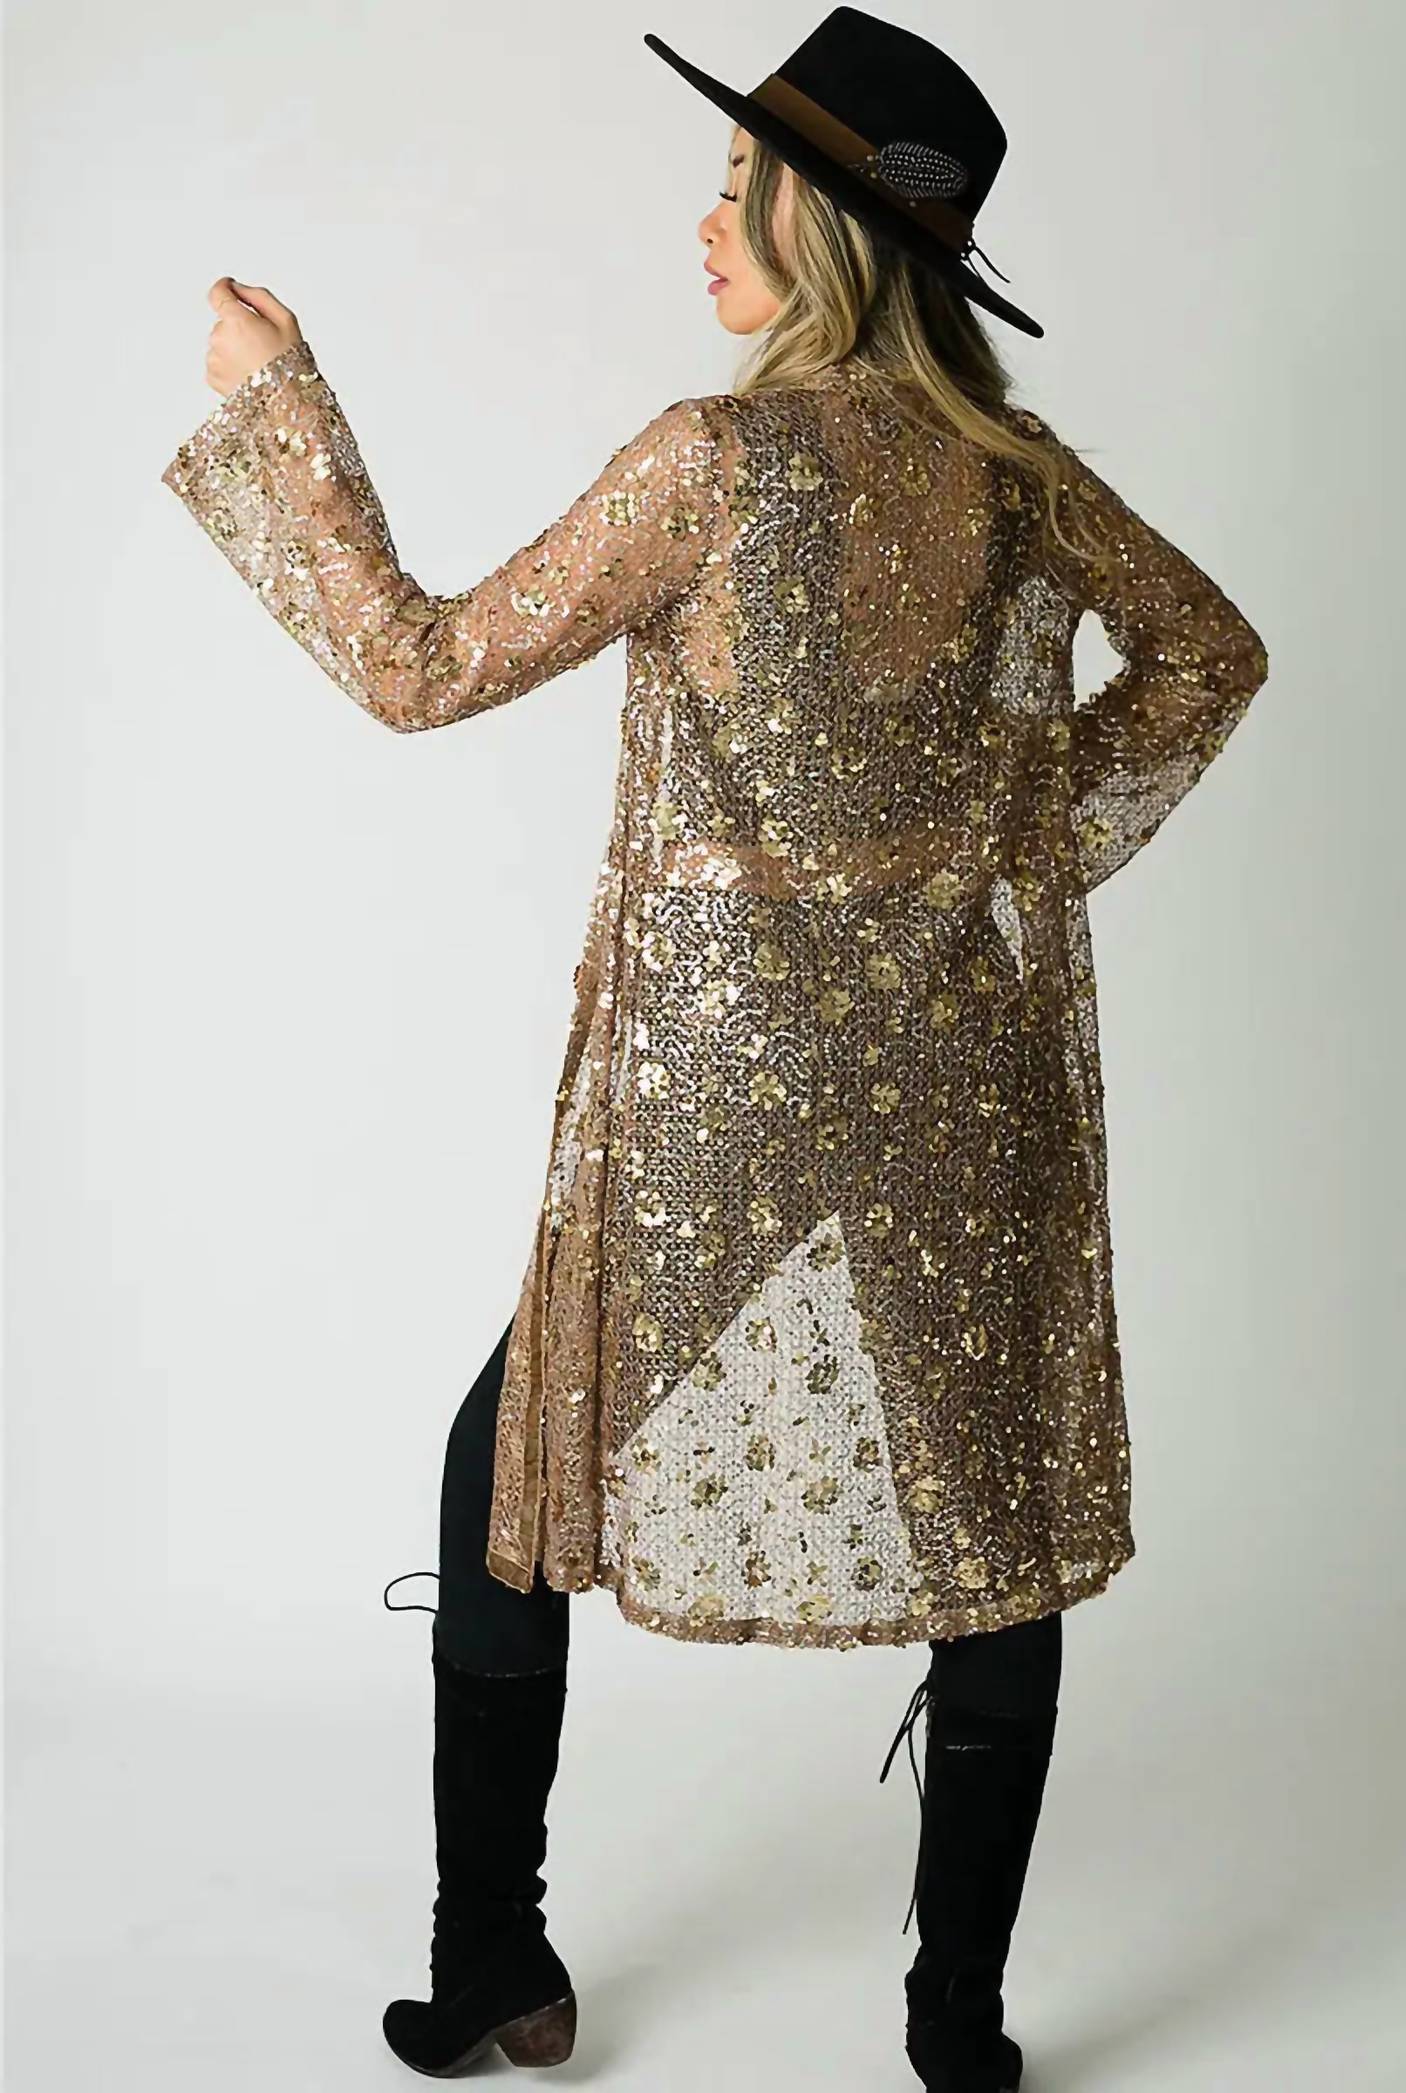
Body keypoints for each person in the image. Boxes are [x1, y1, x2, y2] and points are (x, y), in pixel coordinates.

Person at [160, 10, 1269, 2088]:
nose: (706, 218)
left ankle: (493, 1958)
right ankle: (959, 2022)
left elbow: (417, 663)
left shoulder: (714, 463)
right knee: (990, 1520)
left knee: (508, 1476)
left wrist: (276, 405)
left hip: (716, 1105)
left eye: (738, 185)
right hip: (962, 1090)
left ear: (821, 228)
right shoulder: (1021, 483)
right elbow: (1211, 654)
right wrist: (1005, 852)